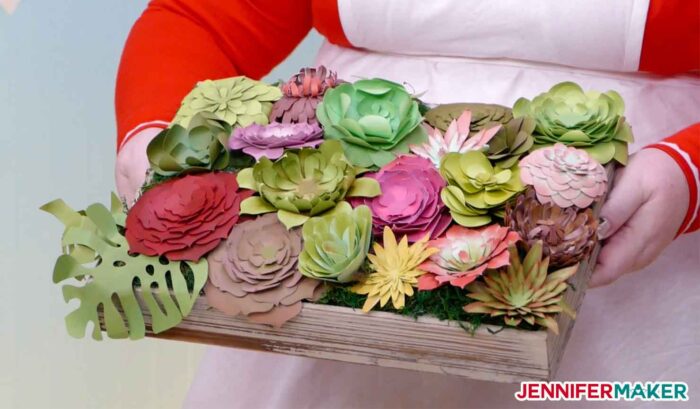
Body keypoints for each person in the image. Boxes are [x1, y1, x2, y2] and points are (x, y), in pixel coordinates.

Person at [114, 1, 699, 407]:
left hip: (630, 273)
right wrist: (156, 133)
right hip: (329, 232)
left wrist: (690, 170)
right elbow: (202, 18)